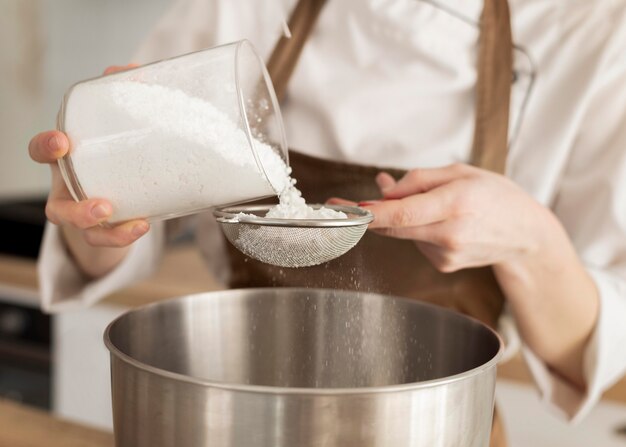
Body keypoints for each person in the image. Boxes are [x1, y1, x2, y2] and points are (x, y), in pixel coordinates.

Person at [31, 0, 626, 444]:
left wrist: (532, 241)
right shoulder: (245, 7)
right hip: (240, 426)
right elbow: (121, 231)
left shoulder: (591, 31)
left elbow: (593, 348)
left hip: (436, 431)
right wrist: (99, 212)